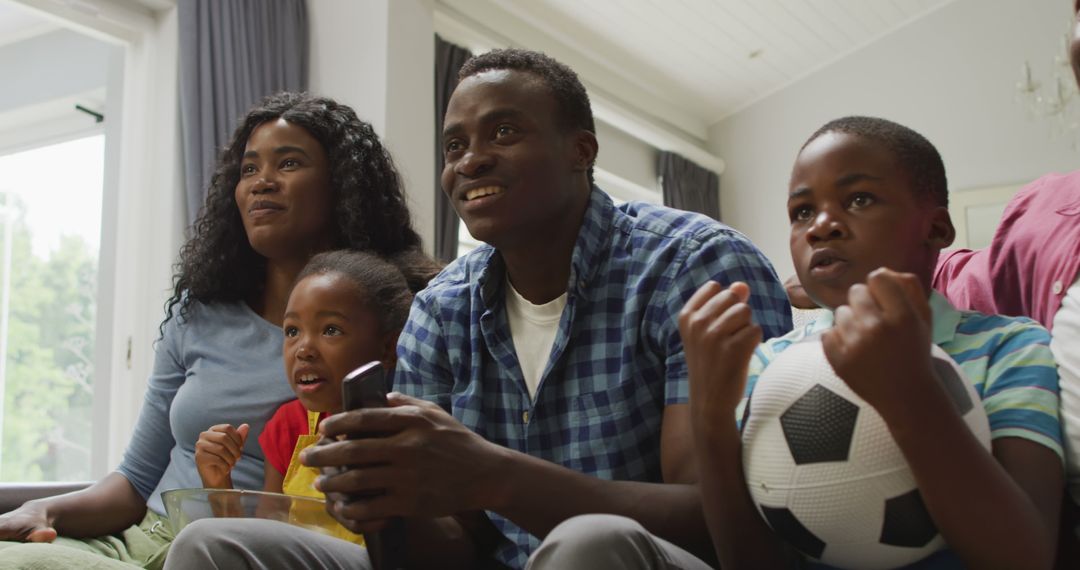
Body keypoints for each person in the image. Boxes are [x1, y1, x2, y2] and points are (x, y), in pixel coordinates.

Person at [165, 48, 792, 569]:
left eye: (503, 131)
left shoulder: (695, 266)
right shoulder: (440, 310)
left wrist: (494, 476)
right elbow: (458, 547)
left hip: (636, 558)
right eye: (453, 145)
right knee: (212, 546)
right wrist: (386, 504)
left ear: (581, 150)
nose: (471, 159)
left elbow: (725, 521)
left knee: (588, 542)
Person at [0, 92, 425, 569]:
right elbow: (136, 481)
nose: (262, 182)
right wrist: (45, 508)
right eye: (248, 169)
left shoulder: (394, 323)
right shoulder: (198, 311)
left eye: (288, 163)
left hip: (230, 553)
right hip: (135, 539)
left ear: (342, 187)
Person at [673, 116, 1062, 569]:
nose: (821, 226)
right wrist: (710, 418)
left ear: (935, 229)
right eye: (802, 211)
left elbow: (1027, 558)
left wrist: (911, 389)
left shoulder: (1010, 349)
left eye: (858, 199)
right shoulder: (765, 365)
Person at [193, 249, 438, 544]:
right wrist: (218, 484)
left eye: (331, 330)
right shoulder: (288, 425)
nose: (303, 349)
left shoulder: (408, 428)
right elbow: (260, 546)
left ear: (388, 348)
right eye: (292, 330)